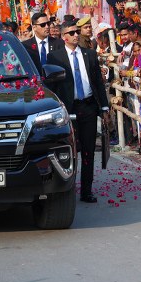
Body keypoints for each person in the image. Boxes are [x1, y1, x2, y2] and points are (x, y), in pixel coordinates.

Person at [48, 17, 111, 203]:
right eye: (71, 33)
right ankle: (66, 190)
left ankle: (86, 190)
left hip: (89, 106)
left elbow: (98, 82)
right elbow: (53, 85)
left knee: (88, 150)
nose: (76, 35)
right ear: (63, 37)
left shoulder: (89, 54)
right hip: (68, 108)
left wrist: (104, 107)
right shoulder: (55, 57)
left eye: (77, 32)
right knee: (68, 150)